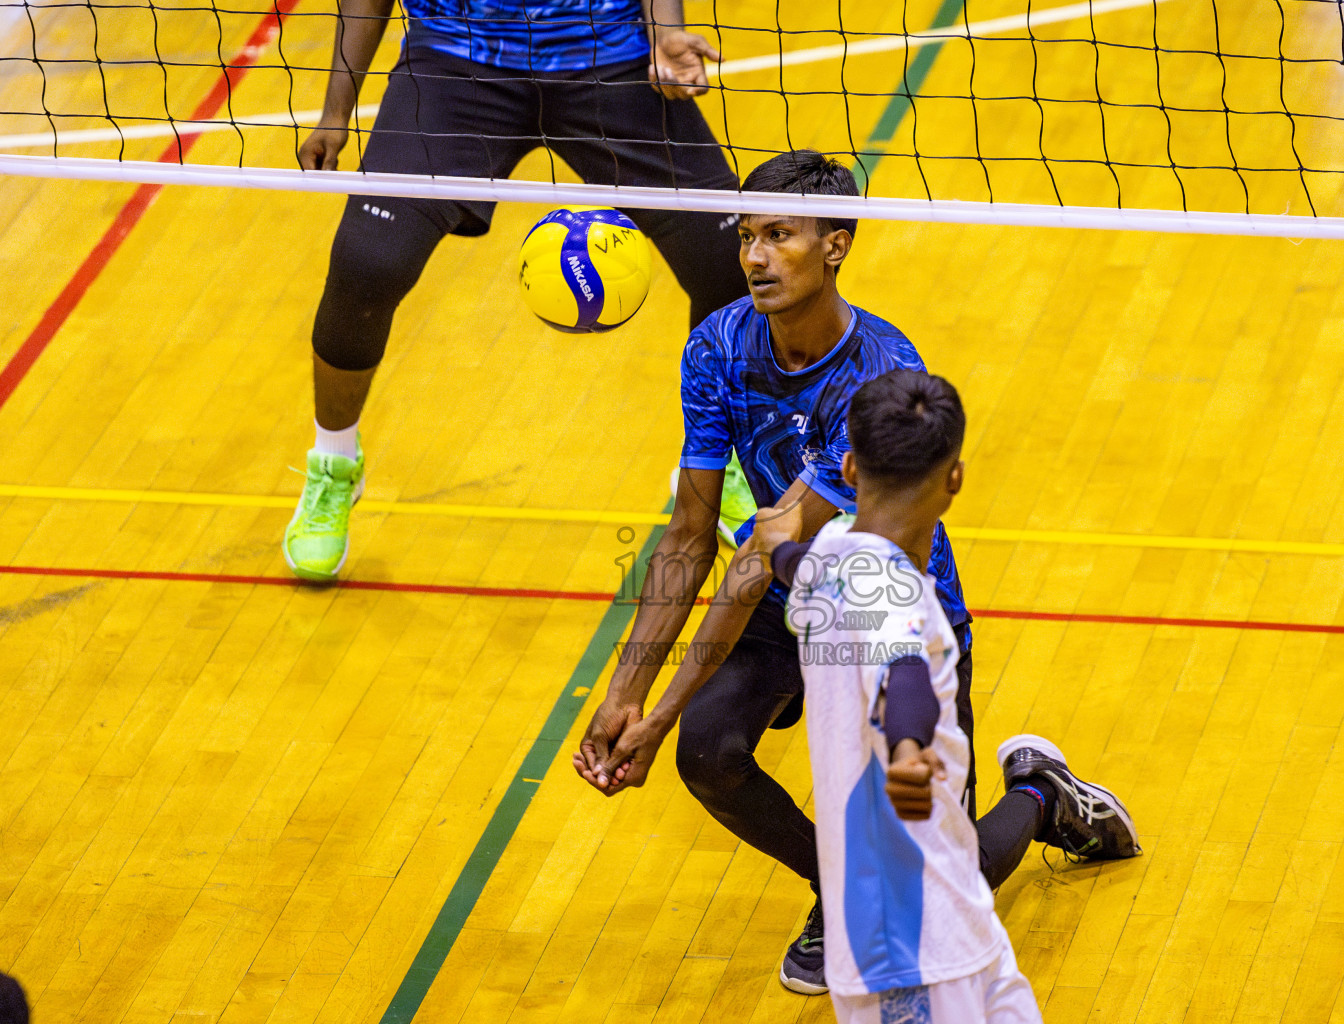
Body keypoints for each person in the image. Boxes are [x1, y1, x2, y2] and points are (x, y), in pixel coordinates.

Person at [571, 149, 1140, 995]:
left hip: (888, 612)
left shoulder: (879, 374)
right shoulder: (717, 347)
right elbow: (692, 531)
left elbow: (765, 547)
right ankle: (834, 894)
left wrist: (655, 717)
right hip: (794, 587)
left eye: (780, 236)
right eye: (748, 235)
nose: (755, 257)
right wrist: (625, 691)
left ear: (835, 245)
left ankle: (1041, 795)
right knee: (710, 754)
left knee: (945, 882)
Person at [281, 0, 753, 580]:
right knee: (368, 263)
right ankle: (333, 463)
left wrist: (665, 31)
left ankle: (714, 461)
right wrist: (336, 110)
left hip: (606, 53)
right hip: (457, 60)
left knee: (732, 264)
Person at [752, 368, 1138, 1022]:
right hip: (906, 954)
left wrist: (778, 549)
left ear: (847, 468)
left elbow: (805, 572)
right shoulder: (897, 594)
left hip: (959, 921)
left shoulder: (829, 554)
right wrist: (907, 749)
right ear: (954, 479)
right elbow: (903, 669)